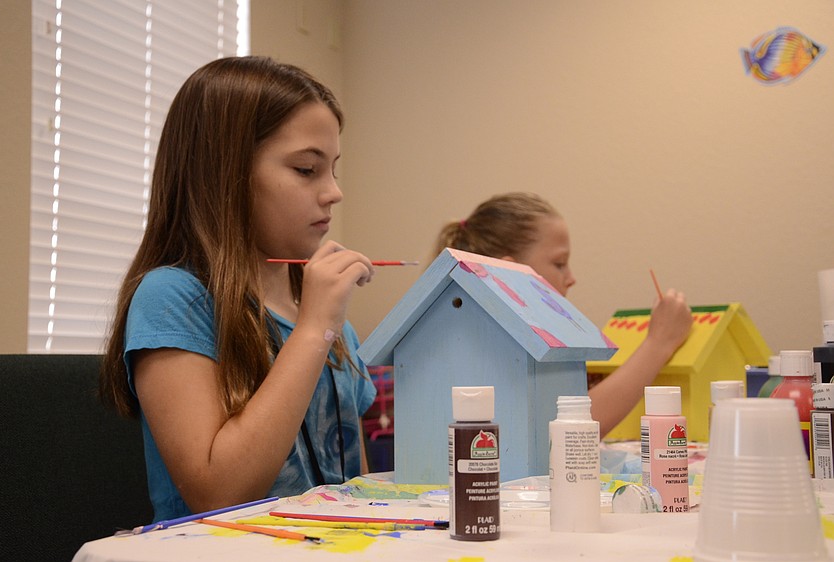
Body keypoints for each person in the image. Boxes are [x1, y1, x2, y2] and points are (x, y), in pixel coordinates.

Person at [99, 56, 377, 522]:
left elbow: (359, 492)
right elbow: (219, 494)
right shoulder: (173, 299)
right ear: (226, 175)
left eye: (334, 169)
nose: (334, 192)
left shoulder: (328, 321)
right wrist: (313, 331)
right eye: (306, 169)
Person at [434, 192, 693, 438]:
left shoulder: (542, 335)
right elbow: (575, 429)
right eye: (559, 264)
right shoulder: (484, 339)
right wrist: (658, 343)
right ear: (510, 270)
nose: (571, 278)